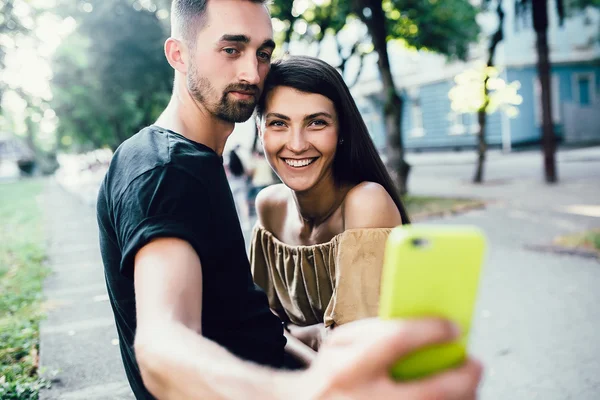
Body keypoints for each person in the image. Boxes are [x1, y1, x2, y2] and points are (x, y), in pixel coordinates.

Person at [96, 0, 483, 399]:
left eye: (263, 53)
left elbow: (241, 325)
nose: (252, 72)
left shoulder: (194, 165)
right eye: (231, 49)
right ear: (179, 53)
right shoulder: (167, 171)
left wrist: (301, 336)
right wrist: (304, 390)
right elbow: (162, 347)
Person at [250, 56, 410, 361]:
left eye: (316, 123)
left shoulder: (366, 202)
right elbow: (255, 324)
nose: (296, 144)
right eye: (279, 123)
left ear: (342, 132)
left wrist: (287, 333)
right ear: (261, 133)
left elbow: (353, 358)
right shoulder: (269, 206)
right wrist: (312, 334)